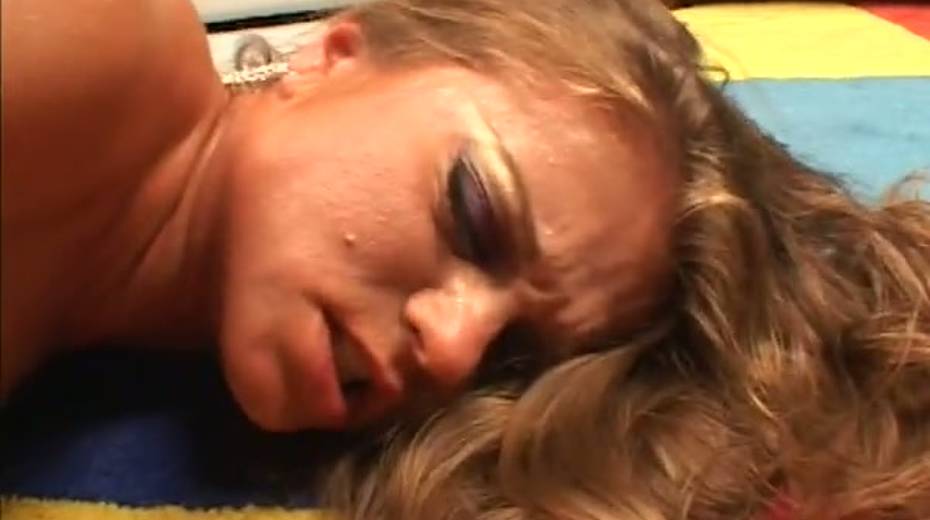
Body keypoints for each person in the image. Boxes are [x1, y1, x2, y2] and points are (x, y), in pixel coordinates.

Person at [2, 0, 928, 518]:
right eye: (475, 212)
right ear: (331, 55)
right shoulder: (85, 49)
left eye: (511, 354)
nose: (451, 349)